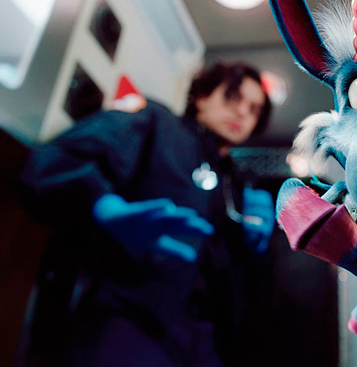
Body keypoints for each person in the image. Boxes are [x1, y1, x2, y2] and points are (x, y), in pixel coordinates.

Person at [18, 61, 275, 366]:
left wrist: (258, 250)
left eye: (254, 109)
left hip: (206, 345)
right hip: (131, 319)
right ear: (202, 96)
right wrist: (104, 205)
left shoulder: (239, 186)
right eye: (233, 97)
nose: (243, 112)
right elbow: (56, 161)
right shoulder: (156, 124)